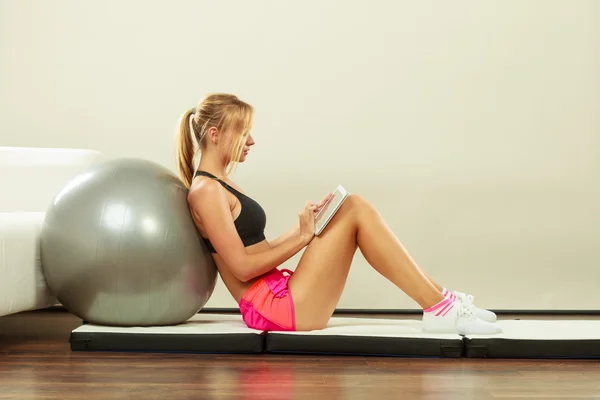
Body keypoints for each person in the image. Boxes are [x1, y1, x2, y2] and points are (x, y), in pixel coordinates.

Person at [176, 93, 502, 335]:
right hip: (274, 310)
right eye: (242, 131)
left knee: (349, 207)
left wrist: (305, 227)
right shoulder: (205, 191)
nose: (251, 140)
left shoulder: (221, 184)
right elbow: (243, 268)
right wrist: (304, 238)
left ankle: (440, 299)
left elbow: (255, 250)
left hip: (281, 295)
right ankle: (440, 308)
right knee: (355, 207)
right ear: (215, 133)